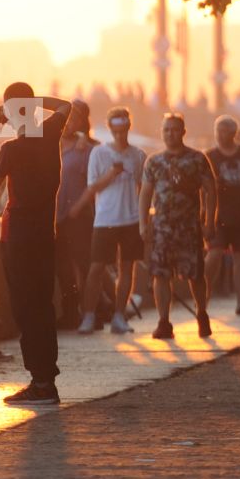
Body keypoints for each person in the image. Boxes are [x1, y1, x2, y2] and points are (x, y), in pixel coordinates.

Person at [0, 83, 74, 404]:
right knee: (43, 307)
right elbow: (65, 105)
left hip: (17, 237)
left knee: (25, 309)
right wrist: (28, 103)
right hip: (44, 235)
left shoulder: (12, 150)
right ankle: (46, 378)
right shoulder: (49, 135)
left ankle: (41, 383)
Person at [137, 112, 217, 340]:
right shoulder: (154, 161)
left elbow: (210, 190)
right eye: (166, 130)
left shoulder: (197, 159)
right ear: (161, 133)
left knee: (195, 274)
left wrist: (209, 220)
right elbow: (145, 193)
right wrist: (143, 223)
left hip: (189, 226)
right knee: (160, 274)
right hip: (162, 227)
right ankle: (164, 321)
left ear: (183, 132)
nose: (170, 134)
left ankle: (202, 313)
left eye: (174, 129)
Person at [74, 106, 148, 334]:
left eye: (123, 127)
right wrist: (111, 174)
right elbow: (92, 186)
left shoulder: (138, 155)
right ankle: (88, 315)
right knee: (96, 268)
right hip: (105, 219)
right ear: (109, 128)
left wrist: (145, 220)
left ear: (128, 126)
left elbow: (143, 188)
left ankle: (119, 316)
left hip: (131, 219)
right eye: (115, 128)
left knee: (127, 268)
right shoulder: (99, 153)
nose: (119, 133)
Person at [204, 116, 240, 316]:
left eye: (224, 131)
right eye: (217, 131)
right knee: (214, 255)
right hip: (218, 215)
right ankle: (203, 299)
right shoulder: (210, 156)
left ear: (233, 133)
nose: (220, 135)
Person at [54, 101, 95, 326]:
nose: (69, 124)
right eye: (66, 119)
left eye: (74, 119)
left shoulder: (86, 149)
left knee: (84, 264)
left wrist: (77, 208)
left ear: (81, 123)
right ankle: (70, 313)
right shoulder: (53, 146)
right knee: (62, 268)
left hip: (78, 216)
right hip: (55, 217)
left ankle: (91, 312)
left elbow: (93, 184)